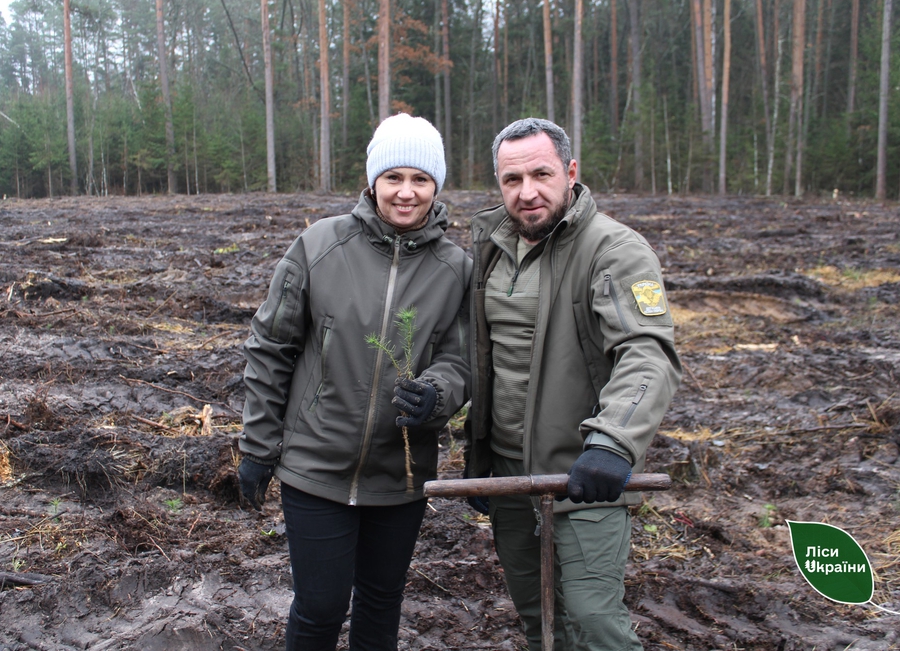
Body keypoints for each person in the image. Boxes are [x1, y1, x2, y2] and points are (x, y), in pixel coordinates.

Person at [237, 113, 472, 651]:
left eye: (420, 179)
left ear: (437, 186)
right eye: (394, 177)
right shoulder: (320, 246)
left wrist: (437, 393)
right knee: (319, 609)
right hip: (315, 467)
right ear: (372, 181)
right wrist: (257, 446)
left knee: (381, 600)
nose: (406, 193)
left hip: (401, 472)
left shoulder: (456, 267)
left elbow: (463, 362)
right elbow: (271, 347)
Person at [463, 117, 682, 651]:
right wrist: (479, 453)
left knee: (592, 621)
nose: (528, 192)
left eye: (542, 174)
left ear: (571, 171)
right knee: (537, 618)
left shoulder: (614, 250)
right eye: (512, 180)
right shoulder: (489, 249)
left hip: (584, 473)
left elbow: (647, 354)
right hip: (509, 475)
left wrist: (612, 443)